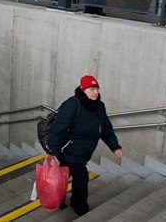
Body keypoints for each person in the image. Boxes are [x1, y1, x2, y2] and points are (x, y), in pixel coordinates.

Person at [44, 75, 122, 216]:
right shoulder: (72, 104)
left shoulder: (99, 106)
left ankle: (58, 199)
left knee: (63, 177)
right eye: (91, 89)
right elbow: (59, 128)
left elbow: (105, 128)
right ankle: (79, 206)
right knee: (81, 179)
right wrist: (52, 150)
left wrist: (114, 146)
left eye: (97, 89)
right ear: (83, 89)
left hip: (84, 152)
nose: (95, 92)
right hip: (69, 151)